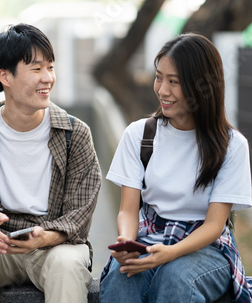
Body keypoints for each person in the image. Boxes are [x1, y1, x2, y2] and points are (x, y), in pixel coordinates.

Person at [0, 23, 102, 303]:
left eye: (50, 67)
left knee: (68, 263)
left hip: (54, 245)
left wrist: (44, 237)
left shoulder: (74, 133)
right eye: (36, 69)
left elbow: (79, 216)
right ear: (5, 76)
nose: (48, 78)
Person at [100, 33, 252, 302]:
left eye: (174, 82)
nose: (162, 90)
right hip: (149, 235)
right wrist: (126, 241)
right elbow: (128, 209)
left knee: (177, 278)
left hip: (206, 246)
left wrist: (171, 252)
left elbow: (215, 225)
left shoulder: (232, 145)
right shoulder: (139, 135)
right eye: (159, 77)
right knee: (120, 277)